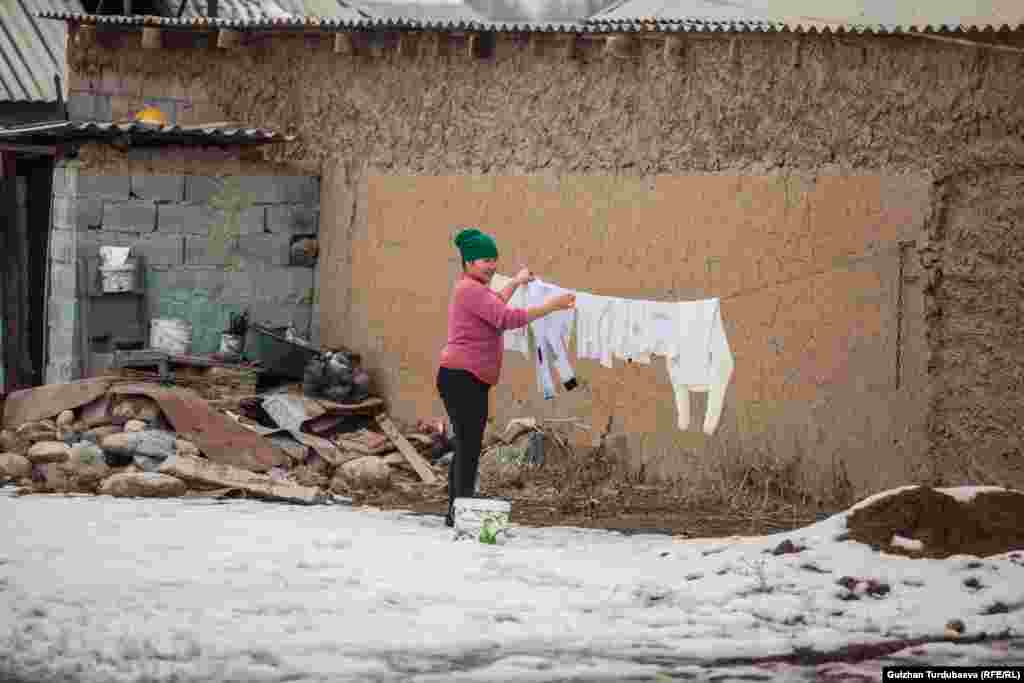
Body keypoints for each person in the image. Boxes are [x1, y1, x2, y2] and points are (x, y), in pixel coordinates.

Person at [437, 227, 575, 527]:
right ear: (469, 263)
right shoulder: (469, 290)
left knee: (467, 444)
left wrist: (515, 281)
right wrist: (552, 306)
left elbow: (495, 303)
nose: (492, 265)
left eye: (494, 259)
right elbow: (505, 318)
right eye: (485, 260)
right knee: (469, 445)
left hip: (467, 378)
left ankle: (456, 509)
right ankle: (459, 510)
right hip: (462, 377)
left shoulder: (475, 290)